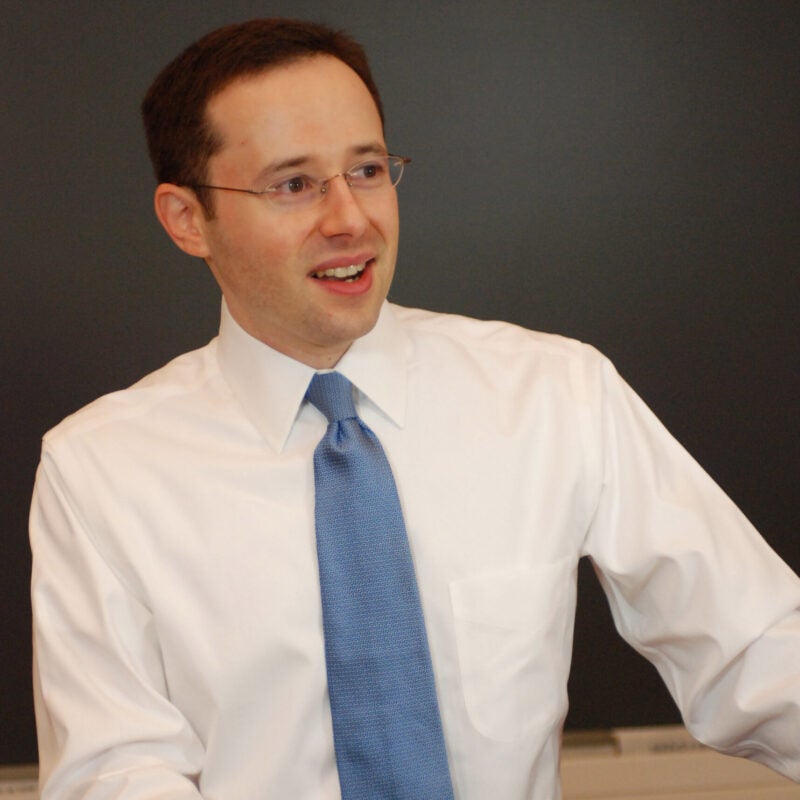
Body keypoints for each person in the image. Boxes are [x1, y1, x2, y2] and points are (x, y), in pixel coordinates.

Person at [30, 17, 800, 800]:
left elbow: (759, 651)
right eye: (293, 184)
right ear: (188, 219)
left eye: (366, 170)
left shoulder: (555, 391)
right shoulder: (99, 470)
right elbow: (115, 773)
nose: (350, 220)